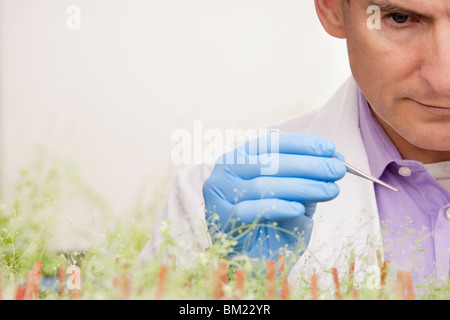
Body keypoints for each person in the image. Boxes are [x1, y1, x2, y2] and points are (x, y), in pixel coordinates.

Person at [139, 0, 450, 288]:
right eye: (399, 18)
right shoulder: (211, 201)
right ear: (332, 9)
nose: (443, 81)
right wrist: (243, 290)